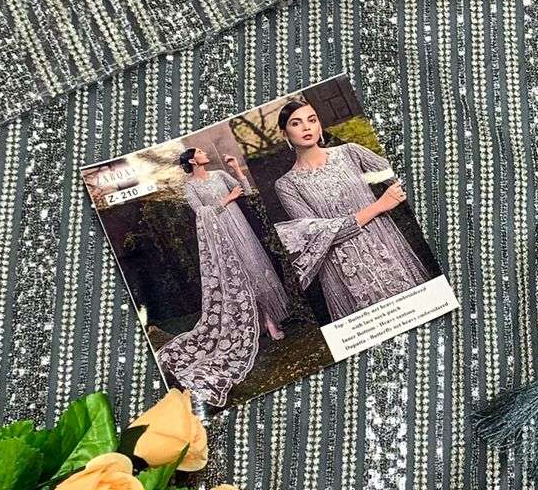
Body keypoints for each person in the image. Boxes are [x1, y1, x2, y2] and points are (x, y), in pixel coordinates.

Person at [272, 97, 431, 321]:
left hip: (384, 244)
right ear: (284, 134)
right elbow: (315, 235)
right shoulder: (286, 184)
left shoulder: (350, 152)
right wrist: (378, 206)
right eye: (296, 123)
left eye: (312, 120)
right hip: (341, 266)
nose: (307, 127)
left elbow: (400, 177)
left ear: (319, 125)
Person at [157, 146, 290, 406]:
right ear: (193, 160)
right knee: (238, 277)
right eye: (200, 152)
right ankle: (256, 322)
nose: (205, 153)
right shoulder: (190, 187)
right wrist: (227, 200)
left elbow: (246, 190)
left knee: (254, 269)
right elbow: (201, 213)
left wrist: (237, 170)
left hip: (240, 227)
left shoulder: (219, 175)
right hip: (220, 237)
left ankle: (269, 320)